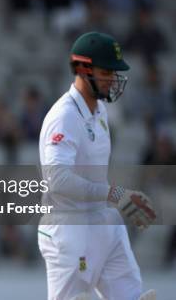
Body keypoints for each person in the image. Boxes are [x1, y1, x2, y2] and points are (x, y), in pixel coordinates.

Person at [37, 31, 157, 300]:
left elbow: (94, 177)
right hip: (69, 229)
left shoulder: (101, 111)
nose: (112, 79)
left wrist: (120, 197)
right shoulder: (64, 116)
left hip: (103, 222)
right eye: (106, 72)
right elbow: (57, 180)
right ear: (83, 69)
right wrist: (114, 194)